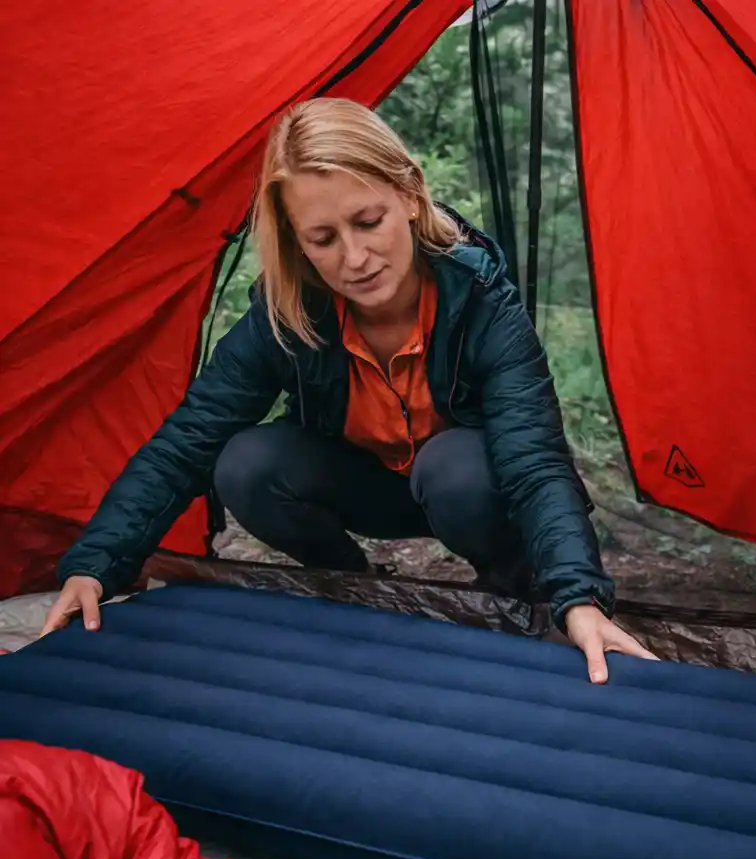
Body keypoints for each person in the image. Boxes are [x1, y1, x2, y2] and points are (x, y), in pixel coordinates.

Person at [41, 97, 654, 683]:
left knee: (455, 467)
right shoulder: (287, 315)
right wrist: (96, 564)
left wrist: (578, 597)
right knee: (245, 461)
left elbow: (536, 463)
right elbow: (188, 442)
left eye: (368, 222)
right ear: (296, 240)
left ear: (410, 195)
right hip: (368, 486)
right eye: (324, 238)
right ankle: (347, 584)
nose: (355, 258)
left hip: (464, 491)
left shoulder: (482, 301)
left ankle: (510, 585)